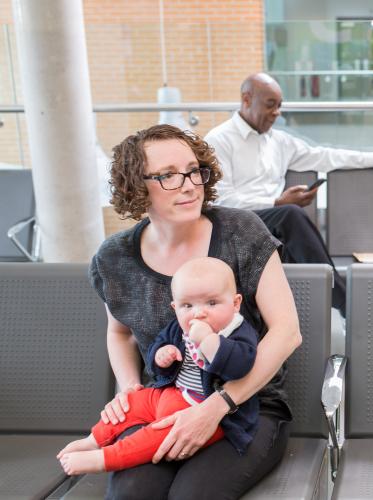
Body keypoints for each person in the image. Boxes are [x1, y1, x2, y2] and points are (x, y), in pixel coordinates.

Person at [86, 124, 301, 499]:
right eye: (167, 175)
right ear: (136, 187)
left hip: (247, 406)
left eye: (192, 170)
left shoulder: (241, 230)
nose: (188, 184)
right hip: (166, 401)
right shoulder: (115, 256)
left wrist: (217, 406)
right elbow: (120, 332)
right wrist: (130, 387)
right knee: (131, 494)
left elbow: (287, 332)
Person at [204, 72, 373, 316]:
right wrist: (276, 202)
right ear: (246, 99)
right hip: (236, 223)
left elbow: (325, 155)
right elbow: (220, 200)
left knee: (290, 230)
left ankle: (325, 314)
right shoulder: (219, 140)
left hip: (272, 226)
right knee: (290, 214)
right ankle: (346, 303)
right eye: (270, 105)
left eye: (280, 106)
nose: (277, 113)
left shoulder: (279, 142)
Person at [58, 257, 260, 475]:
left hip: (202, 410)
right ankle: (94, 439)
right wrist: (161, 357)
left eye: (212, 303)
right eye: (187, 306)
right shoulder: (177, 328)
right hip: (169, 393)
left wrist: (209, 341)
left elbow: (240, 367)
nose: (199, 313)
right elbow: (157, 354)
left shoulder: (237, 331)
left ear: (235, 303)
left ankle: (106, 459)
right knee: (132, 402)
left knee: (157, 434)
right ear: (175, 308)